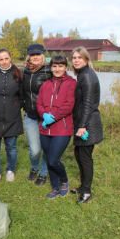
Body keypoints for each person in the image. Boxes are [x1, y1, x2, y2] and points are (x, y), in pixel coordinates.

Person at [36, 55, 76, 199]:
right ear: (51, 67)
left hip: (62, 128)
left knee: (53, 159)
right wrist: (43, 115)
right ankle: (55, 186)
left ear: (66, 67)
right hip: (45, 128)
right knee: (48, 158)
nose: (57, 69)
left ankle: (64, 180)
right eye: (54, 66)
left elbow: (69, 105)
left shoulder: (71, 83)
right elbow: (39, 103)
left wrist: (52, 117)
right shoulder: (46, 84)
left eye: (60, 66)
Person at [70, 47, 103, 204]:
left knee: (85, 158)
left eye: (79, 57)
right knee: (79, 154)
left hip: (88, 124)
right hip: (84, 123)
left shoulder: (87, 76)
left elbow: (89, 103)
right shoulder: (83, 74)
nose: (76, 60)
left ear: (86, 59)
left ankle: (87, 192)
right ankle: (83, 186)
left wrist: (82, 126)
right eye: (74, 57)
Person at [0, 49, 23, 183]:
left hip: (12, 118)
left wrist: (14, 107)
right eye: (1, 59)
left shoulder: (18, 74)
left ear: (10, 58)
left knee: (11, 147)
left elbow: (22, 96)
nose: (4, 61)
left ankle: (10, 170)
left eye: (6, 58)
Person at [22, 43, 52, 186]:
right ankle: (34, 168)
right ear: (29, 57)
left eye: (37, 55)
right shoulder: (25, 72)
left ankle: (43, 173)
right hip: (31, 116)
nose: (35, 58)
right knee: (35, 150)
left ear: (42, 56)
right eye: (32, 55)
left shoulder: (49, 71)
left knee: (46, 148)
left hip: (46, 118)